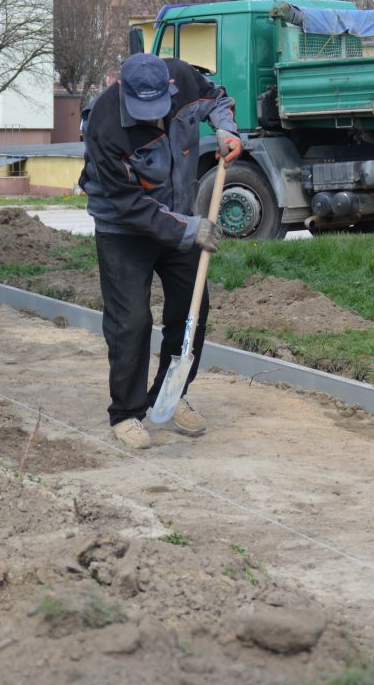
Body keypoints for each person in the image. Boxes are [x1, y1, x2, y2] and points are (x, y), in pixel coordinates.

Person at [81, 53, 243, 450]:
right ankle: (126, 413)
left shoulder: (185, 79)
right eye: (143, 111)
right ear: (123, 89)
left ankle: (170, 394)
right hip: (123, 227)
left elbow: (219, 99)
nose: (152, 118)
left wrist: (224, 128)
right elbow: (129, 205)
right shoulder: (104, 125)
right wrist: (191, 229)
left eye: (159, 109)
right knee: (130, 320)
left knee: (191, 312)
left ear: (170, 88)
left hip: (179, 213)